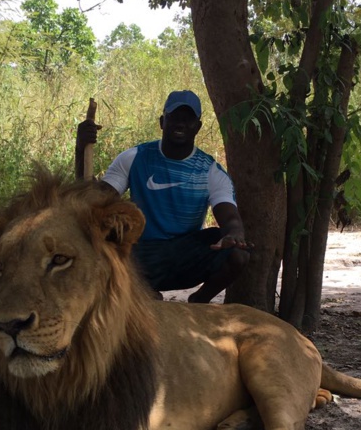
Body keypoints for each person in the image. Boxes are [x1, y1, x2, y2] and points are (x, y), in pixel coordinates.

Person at [76, 90, 251, 303]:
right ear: (162, 121)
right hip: (140, 253)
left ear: (198, 127)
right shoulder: (134, 158)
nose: (180, 124)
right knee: (100, 245)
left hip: (185, 254)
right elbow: (93, 203)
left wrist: (235, 234)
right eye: (174, 117)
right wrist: (80, 149)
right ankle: (144, 295)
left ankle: (199, 302)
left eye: (188, 119)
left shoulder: (211, 171)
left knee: (237, 254)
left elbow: (230, 217)